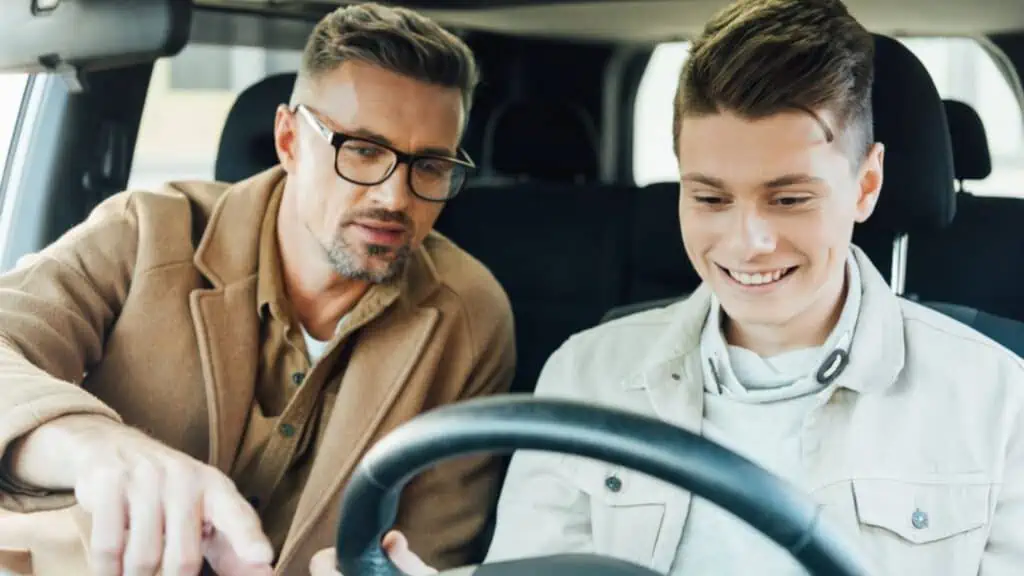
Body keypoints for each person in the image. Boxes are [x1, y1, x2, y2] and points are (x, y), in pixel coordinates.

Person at [352, 0, 1024, 574]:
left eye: (789, 199)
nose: (746, 241)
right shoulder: (587, 376)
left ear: (866, 185)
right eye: (709, 198)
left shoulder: (998, 403)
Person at [0, 3, 516, 575]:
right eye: (364, 151)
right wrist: (96, 449)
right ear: (289, 140)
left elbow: (432, 549)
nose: (396, 197)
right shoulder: (147, 232)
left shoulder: (470, 315)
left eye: (430, 166)